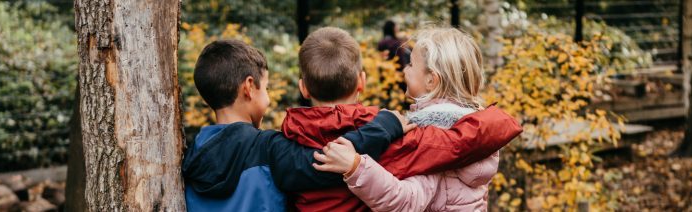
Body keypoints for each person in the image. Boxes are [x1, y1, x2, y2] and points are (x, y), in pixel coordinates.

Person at [279, 27, 522, 211]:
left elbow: (407, 201)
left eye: (411, 64)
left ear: (431, 80)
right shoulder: (471, 127)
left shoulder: (432, 133)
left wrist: (356, 166)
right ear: (360, 82)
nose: (404, 69)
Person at [180, 39, 412, 211]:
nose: (268, 97)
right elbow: (330, 160)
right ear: (249, 87)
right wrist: (385, 125)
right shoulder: (268, 149)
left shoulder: (190, 155)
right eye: (267, 88)